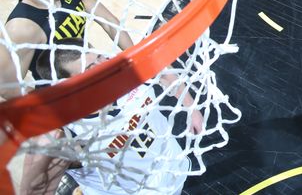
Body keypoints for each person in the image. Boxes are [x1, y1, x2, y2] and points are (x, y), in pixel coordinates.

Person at [19, 39, 201, 195]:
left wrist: (191, 107)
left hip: (173, 162)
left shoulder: (121, 69)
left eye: (99, 57)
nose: (104, 66)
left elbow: (161, 69)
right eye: (91, 68)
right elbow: (35, 187)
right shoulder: (71, 133)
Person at [0, 0, 135, 99]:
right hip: (64, 95)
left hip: (92, 69)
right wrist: (51, 106)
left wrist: (136, 57)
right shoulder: (21, 28)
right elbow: (6, 87)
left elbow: (109, 22)